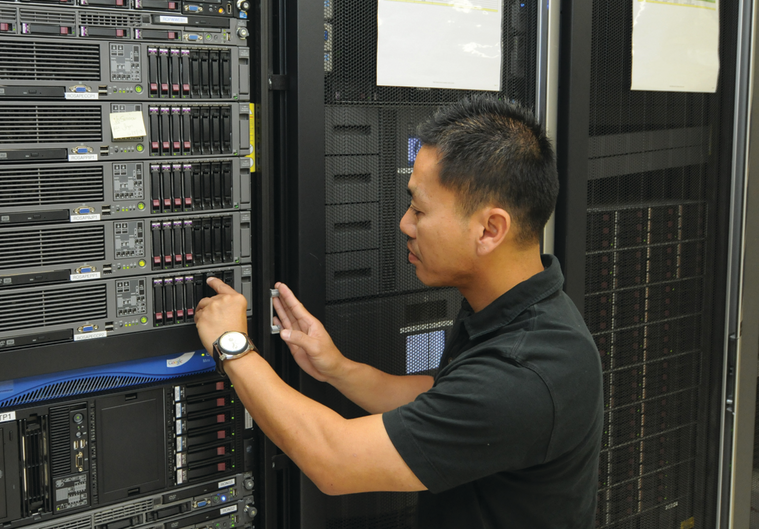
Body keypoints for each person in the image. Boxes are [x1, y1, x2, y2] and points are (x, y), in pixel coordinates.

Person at [193, 96, 604, 528]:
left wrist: (233, 347)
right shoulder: (519, 309)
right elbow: (441, 397)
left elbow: (334, 460)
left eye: (420, 210)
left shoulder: (526, 371)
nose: (405, 224)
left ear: (489, 229)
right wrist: (338, 368)